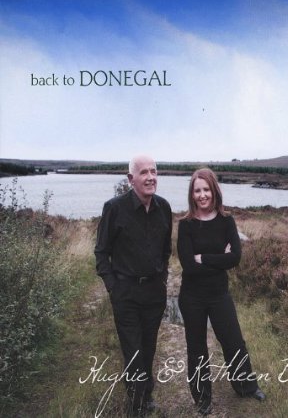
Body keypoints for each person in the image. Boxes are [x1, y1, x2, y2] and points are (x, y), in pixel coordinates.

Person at [177, 168, 265, 415]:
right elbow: (188, 266)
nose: (202, 195)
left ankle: (246, 387)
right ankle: (202, 399)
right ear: (192, 194)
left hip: (219, 295)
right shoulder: (186, 225)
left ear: (214, 191)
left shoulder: (227, 221)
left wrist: (203, 257)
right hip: (192, 297)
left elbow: (235, 258)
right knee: (197, 348)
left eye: (206, 189)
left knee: (233, 341)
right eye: (197, 190)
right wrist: (219, 259)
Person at [94, 154, 172, 417]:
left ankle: (145, 395)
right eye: (144, 172)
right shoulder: (114, 208)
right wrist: (113, 287)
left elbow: (165, 250)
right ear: (131, 179)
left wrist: (162, 278)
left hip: (154, 293)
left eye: (154, 171)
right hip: (125, 294)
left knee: (148, 348)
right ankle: (136, 405)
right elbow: (101, 253)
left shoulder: (164, 208)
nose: (150, 177)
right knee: (133, 351)